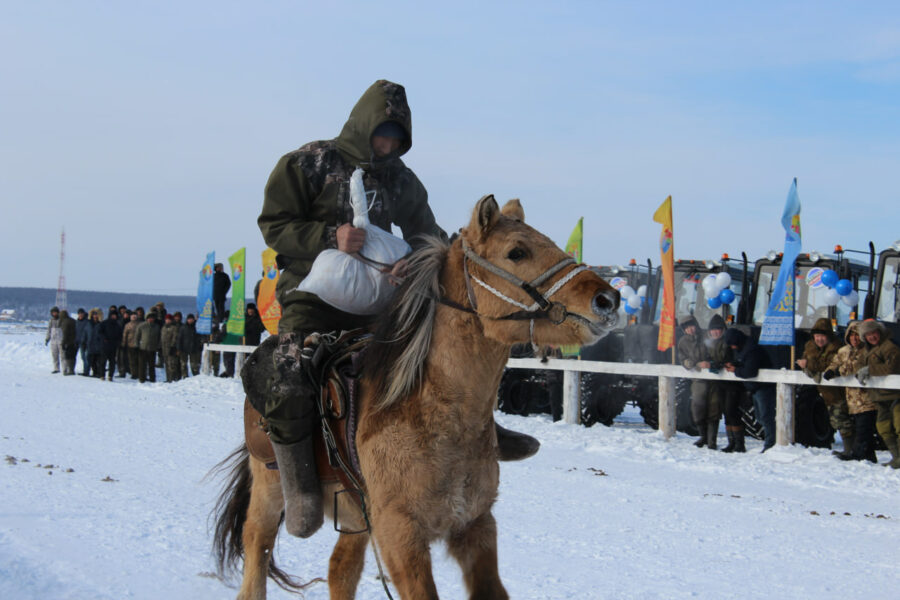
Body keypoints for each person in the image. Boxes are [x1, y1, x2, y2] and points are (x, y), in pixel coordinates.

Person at [256, 79, 539, 538]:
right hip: (312, 296)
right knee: (288, 372)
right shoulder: (306, 163)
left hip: (379, 300)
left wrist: (419, 258)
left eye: (396, 136)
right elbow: (274, 225)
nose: (388, 144)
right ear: (364, 124)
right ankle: (300, 486)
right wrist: (330, 239)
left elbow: (428, 231)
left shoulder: (402, 179)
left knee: (440, 358)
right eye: (381, 132)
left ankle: (482, 429)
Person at [825, 321, 878, 462]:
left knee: (863, 428)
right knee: (861, 428)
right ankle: (870, 457)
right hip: (852, 398)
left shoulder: (868, 350)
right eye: (852, 335)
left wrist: (838, 371)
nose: (854, 339)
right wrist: (830, 370)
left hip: (867, 398)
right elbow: (835, 362)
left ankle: (857, 454)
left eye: (857, 336)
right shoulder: (843, 351)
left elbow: (855, 366)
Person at [795, 318, 849, 450]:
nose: (819, 339)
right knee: (835, 419)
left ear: (828, 336)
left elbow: (828, 365)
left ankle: (850, 449)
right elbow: (805, 362)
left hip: (835, 391)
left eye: (822, 336)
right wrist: (807, 367)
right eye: (817, 336)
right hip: (818, 389)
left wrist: (808, 365)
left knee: (841, 419)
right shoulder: (809, 347)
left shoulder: (838, 348)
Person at [856, 319, 900, 468]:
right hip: (879, 396)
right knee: (883, 427)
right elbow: (859, 365)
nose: (872, 337)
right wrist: (859, 372)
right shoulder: (866, 351)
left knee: (899, 426)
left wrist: (869, 370)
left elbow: (891, 369)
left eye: (873, 333)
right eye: (867, 335)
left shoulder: (890, 347)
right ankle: (896, 457)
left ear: (879, 332)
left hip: (895, 395)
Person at [724, 328, 776, 452]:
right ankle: (771, 442)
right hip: (755, 388)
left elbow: (750, 371)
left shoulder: (752, 350)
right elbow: (744, 364)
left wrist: (735, 370)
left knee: (766, 416)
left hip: (764, 387)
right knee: (760, 417)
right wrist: (735, 364)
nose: (732, 347)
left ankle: (771, 445)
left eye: (732, 344)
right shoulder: (743, 348)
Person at [706, 315, 745, 453]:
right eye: (713, 330)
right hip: (720, 382)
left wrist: (717, 364)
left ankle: (740, 443)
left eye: (718, 329)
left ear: (723, 330)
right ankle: (731, 442)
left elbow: (729, 358)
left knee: (731, 410)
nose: (715, 332)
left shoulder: (728, 341)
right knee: (726, 411)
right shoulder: (710, 344)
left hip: (732, 382)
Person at [677, 316, 716, 448]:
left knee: (713, 409)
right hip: (698, 379)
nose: (690, 329)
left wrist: (710, 363)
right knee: (697, 408)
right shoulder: (683, 342)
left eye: (692, 326)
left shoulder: (707, 336)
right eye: (687, 328)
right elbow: (683, 359)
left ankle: (712, 440)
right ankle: (703, 436)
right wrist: (691, 363)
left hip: (715, 378)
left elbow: (716, 352)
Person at [135, 312, 161, 383]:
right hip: (143, 348)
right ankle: (142, 378)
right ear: (147, 318)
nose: (151, 319)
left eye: (152, 318)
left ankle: (152, 379)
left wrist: (158, 346)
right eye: (149, 318)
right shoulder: (142, 326)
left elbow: (159, 337)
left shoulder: (157, 327)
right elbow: (137, 336)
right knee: (142, 365)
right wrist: (137, 345)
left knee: (151, 365)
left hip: (152, 349)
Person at [98, 309, 122, 381]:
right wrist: (104, 339)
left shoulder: (118, 325)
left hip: (113, 346)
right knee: (103, 361)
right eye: (112, 315)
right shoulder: (104, 323)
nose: (114, 317)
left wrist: (118, 342)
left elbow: (120, 335)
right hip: (105, 345)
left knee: (112, 362)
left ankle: (110, 375)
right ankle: (102, 375)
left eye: (115, 315)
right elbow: (99, 332)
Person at [160, 313, 181, 382]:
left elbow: (175, 338)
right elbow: (162, 338)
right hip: (164, 349)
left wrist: (173, 346)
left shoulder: (174, 327)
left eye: (169, 320)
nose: (167, 321)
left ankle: (172, 379)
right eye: (166, 319)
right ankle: (168, 378)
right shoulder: (164, 327)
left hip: (171, 348)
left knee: (172, 365)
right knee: (166, 365)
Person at [86, 308, 105, 378]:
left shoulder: (101, 324)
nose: (95, 316)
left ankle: (99, 373)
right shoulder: (89, 323)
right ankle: (95, 372)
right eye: (94, 314)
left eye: (96, 314)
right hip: (90, 343)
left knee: (99, 360)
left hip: (99, 344)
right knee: (91, 360)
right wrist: (84, 341)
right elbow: (86, 332)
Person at [58, 309, 77, 375]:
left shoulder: (64, 322)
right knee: (73, 356)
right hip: (75, 341)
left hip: (69, 342)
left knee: (68, 356)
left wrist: (63, 343)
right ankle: (72, 369)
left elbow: (65, 333)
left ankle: (70, 370)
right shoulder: (73, 320)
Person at [122, 313, 141, 379]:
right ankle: (133, 374)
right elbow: (125, 335)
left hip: (139, 345)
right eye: (132, 316)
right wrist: (123, 343)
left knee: (139, 360)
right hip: (130, 345)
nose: (134, 318)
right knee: (131, 360)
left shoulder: (140, 324)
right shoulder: (128, 325)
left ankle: (140, 373)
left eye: (135, 316)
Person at [45, 306, 62, 373]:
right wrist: (47, 339)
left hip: (61, 340)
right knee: (55, 355)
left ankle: (64, 368)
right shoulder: (51, 321)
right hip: (53, 341)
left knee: (62, 355)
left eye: (55, 312)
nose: (54, 314)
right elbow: (49, 331)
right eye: (53, 312)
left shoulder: (61, 320)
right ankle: (56, 368)